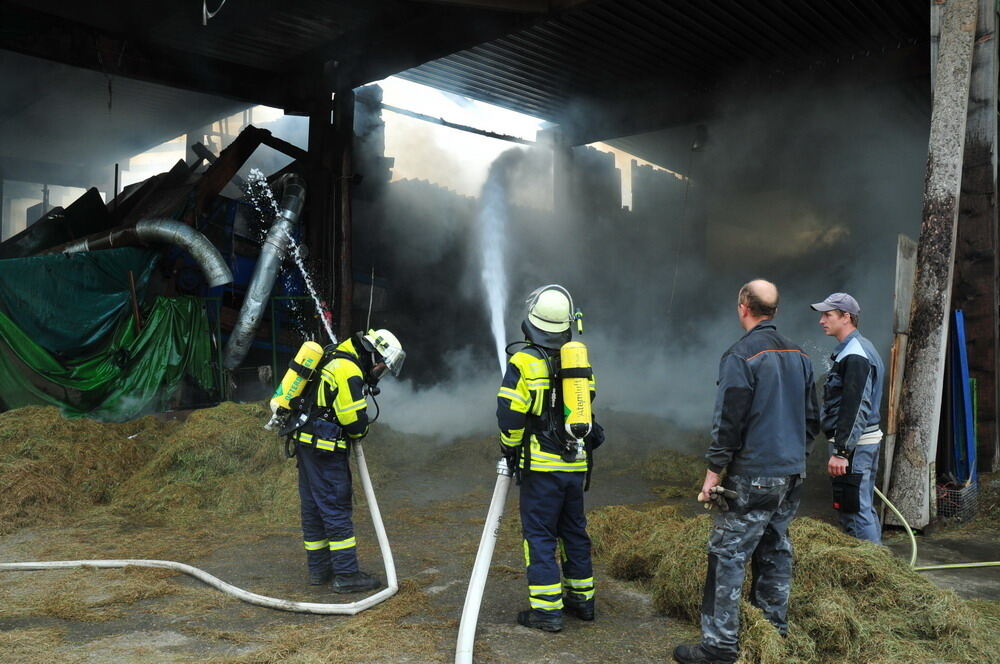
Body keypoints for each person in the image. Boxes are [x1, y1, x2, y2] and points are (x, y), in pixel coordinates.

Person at [674, 280, 819, 664]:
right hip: (790, 474)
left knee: (727, 555)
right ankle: (774, 633)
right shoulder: (801, 355)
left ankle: (719, 646)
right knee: (774, 549)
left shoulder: (741, 356)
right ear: (775, 311)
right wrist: (797, 459)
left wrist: (713, 474)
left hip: (753, 475)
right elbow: (811, 418)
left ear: (743, 306)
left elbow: (730, 422)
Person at [496, 284, 604, 633]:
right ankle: (582, 602)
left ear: (532, 322)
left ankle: (546, 611)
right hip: (575, 464)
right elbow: (587, 406)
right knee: (574, 532)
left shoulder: (523, 361)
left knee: (540, 536)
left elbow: (510, 414)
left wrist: (510, 449)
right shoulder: (579, 362)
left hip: (541, 469)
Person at [287, 328, 404, 592]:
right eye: (382, 367)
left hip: (307, 445)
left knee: (314, 509)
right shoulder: (348, 369)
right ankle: (347, 575)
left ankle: (320, 570)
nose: (379, 373)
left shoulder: (334, 354)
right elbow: (354, 423)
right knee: (335, 508)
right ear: (374, 354)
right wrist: (362, 428)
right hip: (325, 451)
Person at [812, 292, 885, 544]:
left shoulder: (855, 354)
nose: (822, 320)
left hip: (854, 446)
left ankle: (872, 573)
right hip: (860, 443)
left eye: (828, 315)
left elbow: (856, 407)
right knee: (860, 506)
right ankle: (877, 565)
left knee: (854, 510)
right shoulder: (856, 348)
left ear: (846, 317)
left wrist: (842, 451)